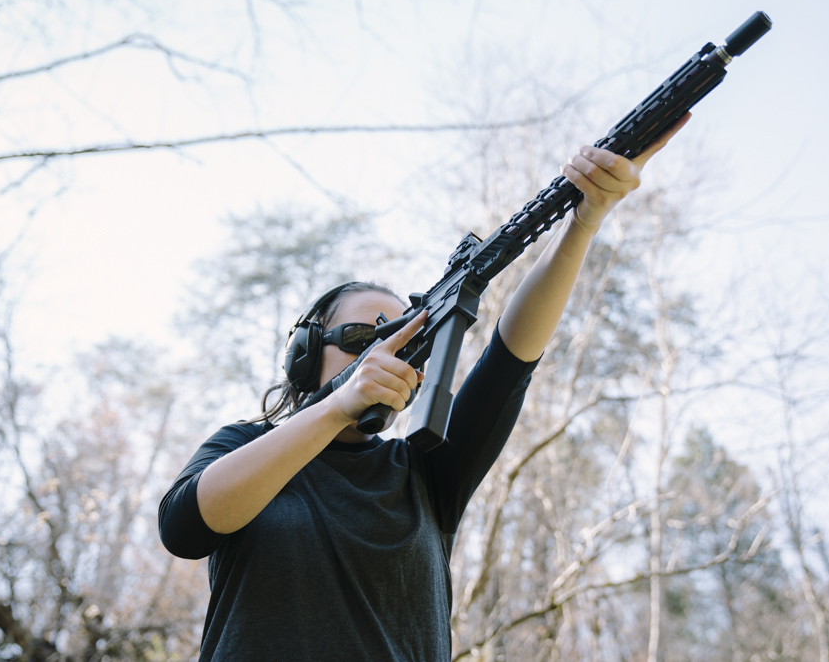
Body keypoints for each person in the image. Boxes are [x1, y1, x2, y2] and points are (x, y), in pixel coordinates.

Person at [158, 114, 690, 660]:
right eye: (364, 336)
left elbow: (511, 358)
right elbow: (184, 529)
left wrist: (585, 220)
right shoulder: (243, 448)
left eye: (405, 342)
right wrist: (339, 405)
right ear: (306, 354)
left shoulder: (424, 474)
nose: (383, 353)